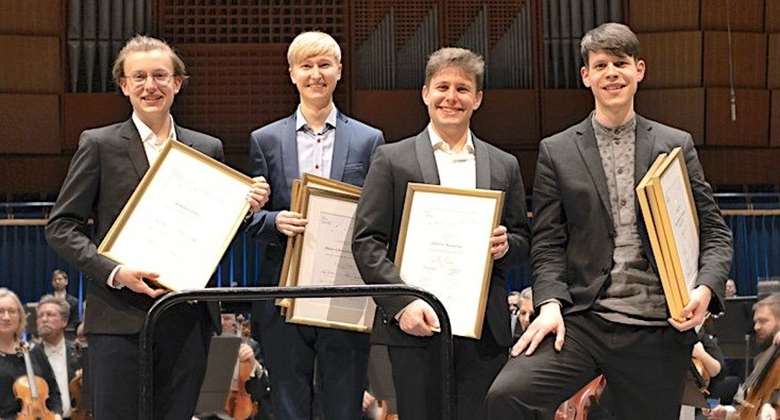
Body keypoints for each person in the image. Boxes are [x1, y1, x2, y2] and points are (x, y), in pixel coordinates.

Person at [486, 22, 733, 419]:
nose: (612, 73)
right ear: (586, 76)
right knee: (508, 395)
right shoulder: (557, 150)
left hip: (657, 324)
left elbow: (716, 233)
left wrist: (705, 290)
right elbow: (547, 243)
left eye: (621, 63)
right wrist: (549, 303)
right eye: (601, 65)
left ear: (640, 70)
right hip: (586, 319)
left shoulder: (675, 144)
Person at [45, 35, 269, 420]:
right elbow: (61, 227)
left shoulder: (207, 148)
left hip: (187, 318)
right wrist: (115, 271)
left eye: (161, 75)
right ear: (125, 85)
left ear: (177, 83)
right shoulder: (99, 144)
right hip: (119, 318)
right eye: (140, 77)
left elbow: (214, 236)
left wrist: (244, 209)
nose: (151, 85)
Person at [352, 47, 531, 420]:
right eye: (442, 87)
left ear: (478, 99)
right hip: (415, 325)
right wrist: (403, 304)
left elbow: (523, 241)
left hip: (485, 331)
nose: (452, 97)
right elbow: (367, 242)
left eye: (463, 89)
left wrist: (505, 245)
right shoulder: (391, 159)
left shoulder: (504, 165)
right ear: (425, 93)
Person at [246, 31, 384, 420]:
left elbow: (376, 214)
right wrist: (274, 220)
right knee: (289, 402)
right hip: (282, 290)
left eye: (324, 65)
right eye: (306, 66)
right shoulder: (265, 140)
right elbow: (249, 215)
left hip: (344, 288)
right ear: (291, 73)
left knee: (344, 401)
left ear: (339, 71)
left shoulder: (368, 141)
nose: (315, 74)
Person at [707, 293, 780, 419]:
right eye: (755, 322)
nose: (756, 327)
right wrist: (728, 413)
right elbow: (750, 410)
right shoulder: (760, 361)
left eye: (763, 321)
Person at [0, 288, 62, 419]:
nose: (6, 317)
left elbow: (53, 391)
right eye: (0, 311)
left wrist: (56, 415)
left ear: (20, 316)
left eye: (12, 311)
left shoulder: (34, 350)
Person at [35, 295, 81, 419]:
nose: (44, 319)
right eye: (40, 316)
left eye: (50, 315)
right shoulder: (29, 356)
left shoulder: (79, 352)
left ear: (64, 321)